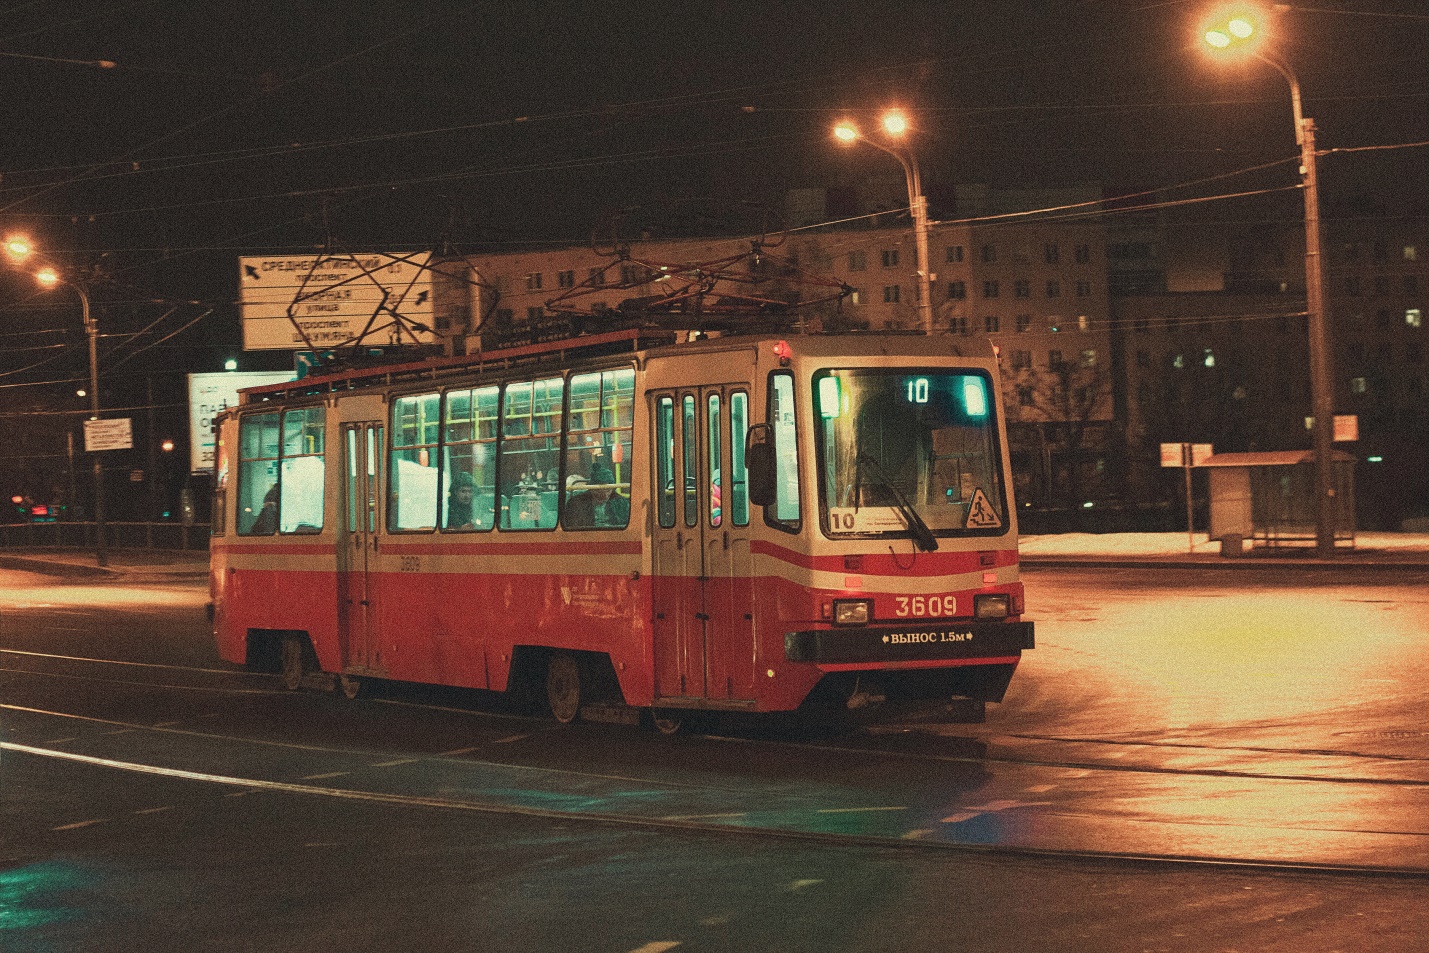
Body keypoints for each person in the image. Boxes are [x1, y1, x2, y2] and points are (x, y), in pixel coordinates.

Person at [564, 461, 629, 528]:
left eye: (608, 490)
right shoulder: (576, 503)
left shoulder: (621, 502)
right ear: (591, 489)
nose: (605, 495)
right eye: (598, 490)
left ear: (613, 489)